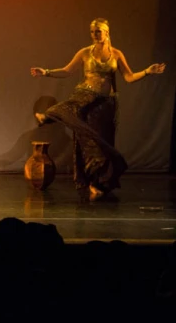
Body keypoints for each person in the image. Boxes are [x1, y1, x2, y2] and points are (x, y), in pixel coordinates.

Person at [30, 18, 166, 200]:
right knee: (87, 141)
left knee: (102, 143)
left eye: (98, 31)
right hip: (85, 99)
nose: (95, 35)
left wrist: (148, 71)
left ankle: (100, 183)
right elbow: (67, 70)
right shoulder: (85, 53)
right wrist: (46, 72)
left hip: (105, 105)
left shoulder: (116, 54)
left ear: (107, 32)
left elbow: (129, 77)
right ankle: (48, 117)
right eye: (92, 31)